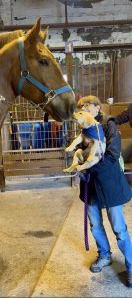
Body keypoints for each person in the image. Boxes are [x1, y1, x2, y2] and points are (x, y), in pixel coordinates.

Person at [67, 95, 132, 287]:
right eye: (81, 107)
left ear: (97, 108)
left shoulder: (108, 126)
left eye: (87, 105)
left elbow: (112, 156)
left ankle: (131, 264)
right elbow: (78, 152)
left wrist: (87, 167)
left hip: (109, 184)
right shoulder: (84, 129)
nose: (84, 109)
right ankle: (105, 255)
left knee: (119, 228)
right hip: (90, 185)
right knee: (95, 225)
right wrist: (79, 161)